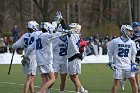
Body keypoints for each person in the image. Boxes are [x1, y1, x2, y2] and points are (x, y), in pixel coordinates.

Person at [107, 25, 138, 93]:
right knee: (116, 83)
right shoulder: (115, 41)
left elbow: (133, 54)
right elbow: (110, 52)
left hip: (128, 65)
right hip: (118, 65)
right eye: (129, 31)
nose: (130, 33)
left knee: (133, 80)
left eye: (131, 31)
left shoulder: (132, 42)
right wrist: (111, 62)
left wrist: (133, 63)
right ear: (124, 30)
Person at [12, 21, 39, 93]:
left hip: (25, 58)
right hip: (32, 58)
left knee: (31, 79)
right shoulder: (36, 34)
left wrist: (14, 47)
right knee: (29, 79)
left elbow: (15, 45)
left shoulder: (24, 35)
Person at [67, 23, 88, 93]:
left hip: (75, 59)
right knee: (73, 77)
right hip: (71, 59)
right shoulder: (73, 36)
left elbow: (79, 48)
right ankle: (82, 89)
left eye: (72, 28)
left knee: (75, 77)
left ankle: (78, 91)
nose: (70, 29)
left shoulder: (76, 36)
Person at [119, 22, 140, 91]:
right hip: (134, 55)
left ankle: (122, 80)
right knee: (136, 70)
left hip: (139, 54)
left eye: (138, 26)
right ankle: (138, 85)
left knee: (134, 71)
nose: (138, 28)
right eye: (136, 27)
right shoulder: (131, 36)